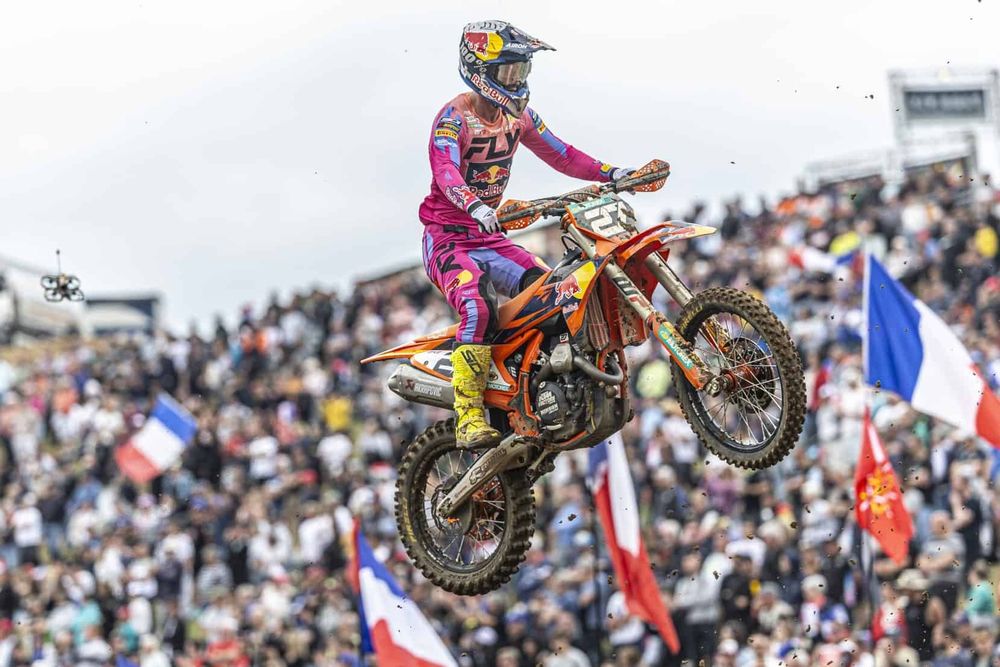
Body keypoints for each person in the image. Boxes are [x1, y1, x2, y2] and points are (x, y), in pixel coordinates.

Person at [419, 20, 633, 447]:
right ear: (480, 70)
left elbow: (562, 155)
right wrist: (476, 206)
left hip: (490, 237)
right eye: (508, 70)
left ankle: (539, 388)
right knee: (478, 305)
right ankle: (469, 416)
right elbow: (445, 172)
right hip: (447, 238)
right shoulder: (453, 119)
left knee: (554, 292)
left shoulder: (520, 118)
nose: (517, 80)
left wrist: (611, 173)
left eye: (521, 70)